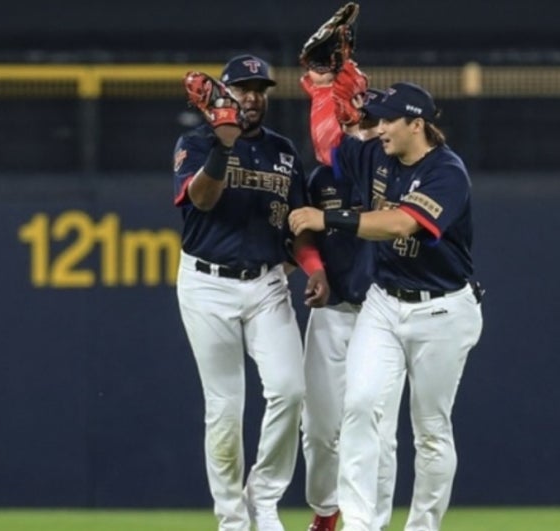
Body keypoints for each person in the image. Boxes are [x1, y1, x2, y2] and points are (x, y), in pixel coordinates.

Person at [289, 65, 484, 531]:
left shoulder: (446, 173)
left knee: (431, 432)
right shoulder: (378, 154)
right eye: (375, 120)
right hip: (384, 302)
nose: (377, 129)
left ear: (416, 124)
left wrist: (328, 218)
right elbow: (329, 144)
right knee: (359, 406)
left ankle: (422, 526)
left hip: (442, 309)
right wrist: (322, 88)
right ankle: (358, 523)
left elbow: (400, 224)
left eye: (387, 121)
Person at [173, 54, 329, 531]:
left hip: (266, 282)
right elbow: (201, 199)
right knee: (224, 407)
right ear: (222, 93)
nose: (253, 96)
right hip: (207, 285)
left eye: (260, 88)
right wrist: (222, 143)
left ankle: (263, 499)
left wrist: (315, 267)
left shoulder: (283, 151)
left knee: (289, 388)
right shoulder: (196, 141)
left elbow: (297, 223)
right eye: (243, 88)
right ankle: (232, 521)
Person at [298, 84, 406, 531]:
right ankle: (327, 511)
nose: (369, 128)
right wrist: (314, 270)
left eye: (375, 121)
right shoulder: (324, 177)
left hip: (381, 314)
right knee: (321, 430)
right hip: (333, 311)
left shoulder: (397, 174)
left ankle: (370, 524)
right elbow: (301, 228)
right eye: (362, 120)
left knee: (377, 429)